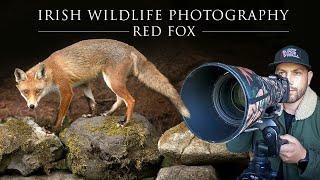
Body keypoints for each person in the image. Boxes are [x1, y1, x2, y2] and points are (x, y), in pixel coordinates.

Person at [226, 45, 320, 180]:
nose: (288, 80)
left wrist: (303, 157)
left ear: (309, 77)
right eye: (282, 73)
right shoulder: (263, 106)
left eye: (297, 73)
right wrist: (242, 109)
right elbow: (235, 147)